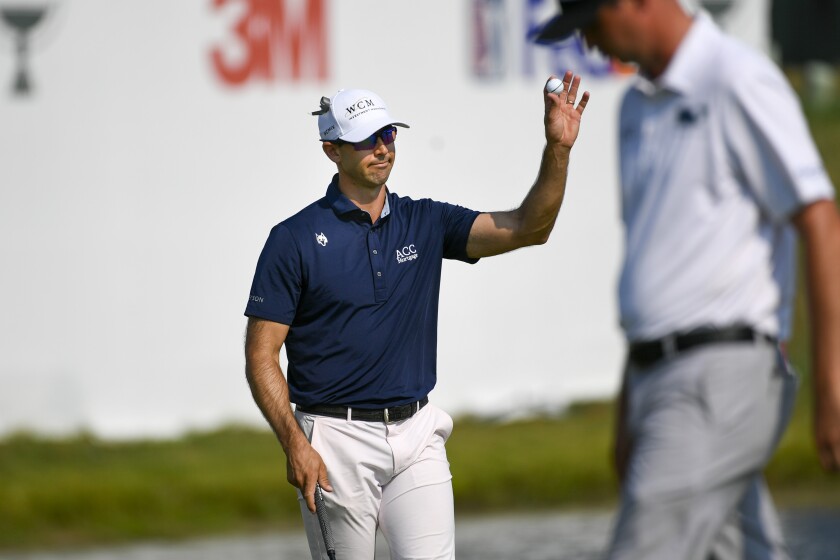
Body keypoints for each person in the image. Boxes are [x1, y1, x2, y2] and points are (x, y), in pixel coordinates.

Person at [532, 2, 840, 559]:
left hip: (719, 377)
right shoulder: (634, 111)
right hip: (658, 379)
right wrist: (630, 401)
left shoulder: (736, 78)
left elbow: (818, 216)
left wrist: (832, 384)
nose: (590, 45)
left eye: (593, 25)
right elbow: (655, 274)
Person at [243, 76, 589, 559]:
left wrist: (558, 149)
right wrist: (294, 443)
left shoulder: (425, 221)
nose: (383, 148)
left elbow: (529, 227)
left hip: (417, 431)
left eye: (388, 134)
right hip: (333, 441)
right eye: (366, 139)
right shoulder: (293, 239)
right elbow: (261, 355)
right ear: (331, 150)